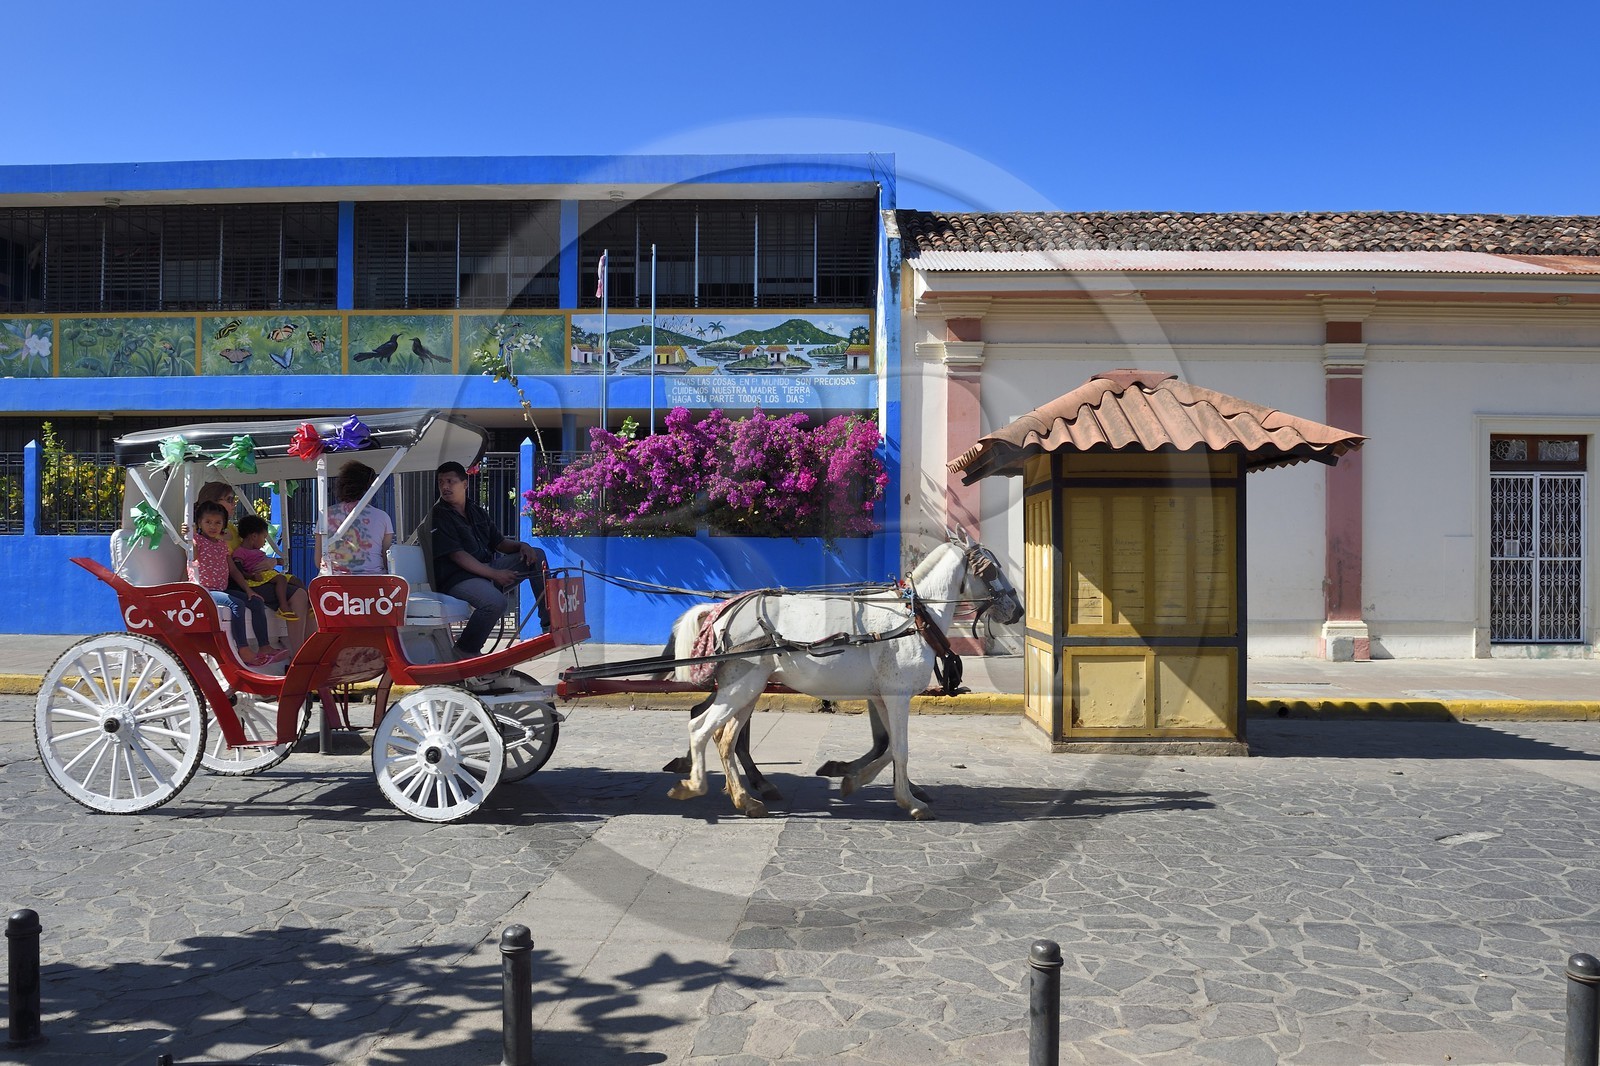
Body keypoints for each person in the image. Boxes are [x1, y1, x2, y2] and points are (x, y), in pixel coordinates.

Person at [430, 460, 550, 660]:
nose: (445, 487)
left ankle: (548, 624)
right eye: (441, 482)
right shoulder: (439, 515)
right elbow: (458, 555)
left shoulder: (475, 510)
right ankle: (465, 650)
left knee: (537, 556)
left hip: (484, 570)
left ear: (464, 484)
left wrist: (523, 546)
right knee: (495, 602)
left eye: (450, 481)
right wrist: (494, 574)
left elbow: (500, 543)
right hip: (456, 578)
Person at [192, 481, 315, 656]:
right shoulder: (206, 533)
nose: (234, 503)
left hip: (246, 579)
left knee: (304, 592)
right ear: (212, 502)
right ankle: (299, 654)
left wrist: (270, 563)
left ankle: (309, 651)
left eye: (234, 499)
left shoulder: (229, 529)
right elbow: (199, 549)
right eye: (229, 499)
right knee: (298, 594)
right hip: (233, 581)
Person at [190, 500, 282, 667]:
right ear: (199, 523)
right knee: (236, 604)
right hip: (204, 590)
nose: (213, 526)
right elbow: (192, 555)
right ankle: (243, 648)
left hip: (221, 589)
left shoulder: (222, 545)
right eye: (208, 522)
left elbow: (233, 571)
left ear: (224, 524)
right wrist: (188, 535)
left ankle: (264, 646)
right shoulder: (196, 540)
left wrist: (248, 590)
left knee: (256, 601)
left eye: (218, 522)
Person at [322, 460, 394, 575]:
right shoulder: (383, 517)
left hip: (334, 584)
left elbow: (318, 560)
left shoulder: (325, 515)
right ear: (370, 488)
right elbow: (387, 560)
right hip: (374, 583)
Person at [232, 514, 302, 620]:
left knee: (294, 579)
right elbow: (238, 568)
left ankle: (312, 601)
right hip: (258, 576)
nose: (265, 542)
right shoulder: (240, 552)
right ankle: (283, 605)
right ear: (254, 536)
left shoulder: (257, 552)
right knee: (281, 579)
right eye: (264, 537)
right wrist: (250, 576)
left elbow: (280, 562)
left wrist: (278, 561)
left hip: (268, 573)